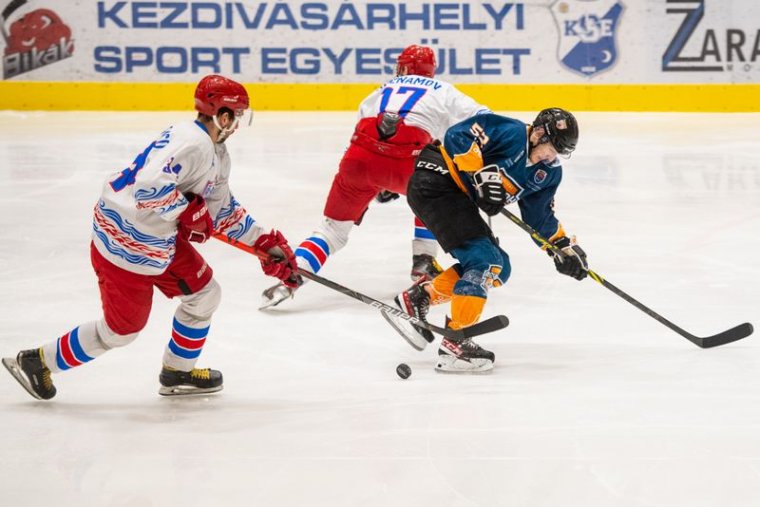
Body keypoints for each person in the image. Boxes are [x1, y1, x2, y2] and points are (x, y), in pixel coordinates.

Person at [2, 74, 300, 400]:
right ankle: (38, 362)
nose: (238, 123)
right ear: (223, 116)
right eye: (237, 115)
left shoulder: (211, 149)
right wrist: (185, 211)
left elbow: (221, 210)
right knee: (121, 331)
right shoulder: (194, 144)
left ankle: (177, 372)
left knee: (205, 294)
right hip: (123, 244)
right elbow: (147, 188)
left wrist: (263, 243)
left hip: (156, 241)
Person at [260, 44, 490, 309]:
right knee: (432, 194)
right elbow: (484, 118)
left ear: (404, 68)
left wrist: (379, 181)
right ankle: (424, 260)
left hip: (359, 163)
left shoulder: (380, 90)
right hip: (408, 165)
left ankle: (291, 277)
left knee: (332, 230)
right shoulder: (443, 90)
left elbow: (366, 134)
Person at [393, 108, 586, 373]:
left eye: (558, 153)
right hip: (436, 181)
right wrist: (479, 175)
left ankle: (420, 297)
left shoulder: (547, 173)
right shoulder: (511, 132)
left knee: (499, 268)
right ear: (539, 134)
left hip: (455, 198)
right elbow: (458, 136)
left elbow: (539, 217)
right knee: (485, 262)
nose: (551, 156)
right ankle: (456, 341)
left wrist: (562, 247)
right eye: (551, 148)